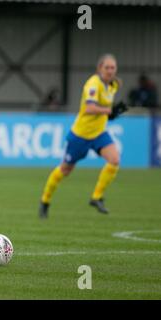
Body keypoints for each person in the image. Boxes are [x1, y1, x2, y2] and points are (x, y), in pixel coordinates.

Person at [39, 54, 123, 218]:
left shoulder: (113, 85)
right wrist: (108, 111)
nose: (110, 71)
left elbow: (105, 109)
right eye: (107, 67)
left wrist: (110, 115)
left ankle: (96, 197)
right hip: (81, 135)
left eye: (113, 68)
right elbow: (89, 108)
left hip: (99, 133)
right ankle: (45, 200)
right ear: (100, 68)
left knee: (114, 160)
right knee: (65, 169)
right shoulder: (93, 84)